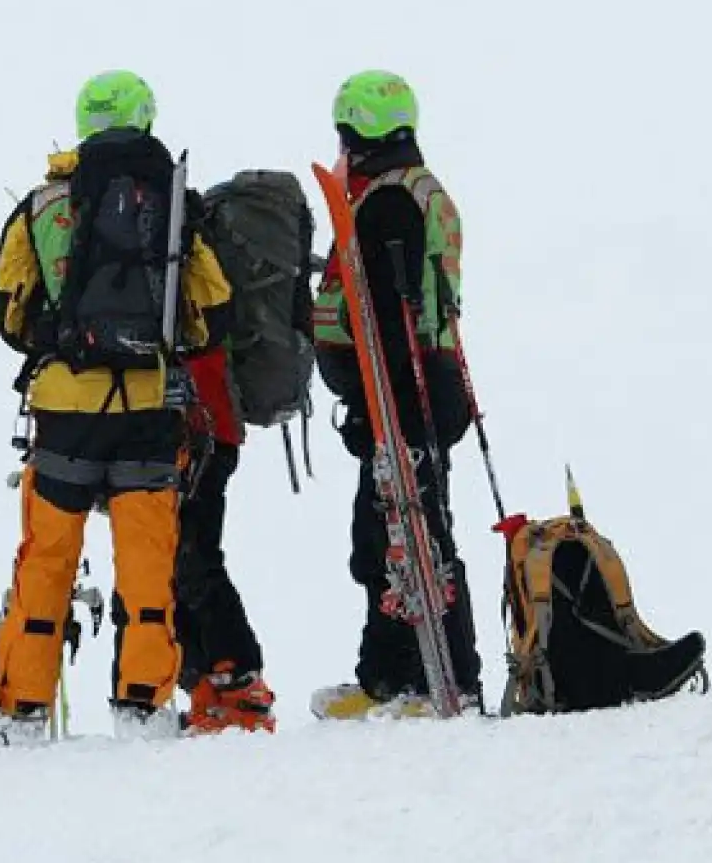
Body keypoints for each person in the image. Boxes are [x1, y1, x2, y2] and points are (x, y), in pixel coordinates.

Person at [0, 70, 233, 742]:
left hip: (65, 408)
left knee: (47, 559)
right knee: (149, 560)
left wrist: (54, 339)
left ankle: (22, 708)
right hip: (150, 410)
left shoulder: (41, 206)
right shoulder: (175, 206)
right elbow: (209, 314)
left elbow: (8, 312)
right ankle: (143, 704)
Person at [307, 71, 487, 718]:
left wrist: (373, 387)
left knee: (420, 531)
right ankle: (386, 675)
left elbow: (390, 309)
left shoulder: (392, 200)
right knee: (378, 537)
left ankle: (451, 677)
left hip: (406, 388)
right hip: (391, 390)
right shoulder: (402, 189)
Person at [175, 346, 276, 733]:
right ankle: (213, 684)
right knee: (179, 560)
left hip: (195, 421)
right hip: (205, 419)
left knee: (191, 557)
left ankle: (237, 681)